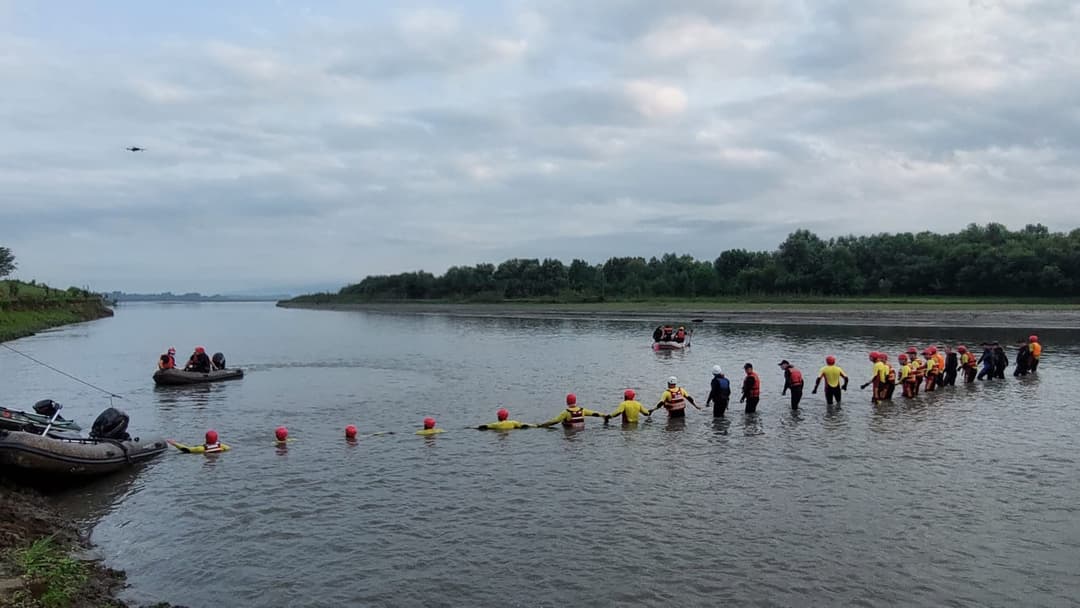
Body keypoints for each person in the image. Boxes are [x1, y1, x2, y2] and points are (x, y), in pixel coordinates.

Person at [538, 394, 604, 428]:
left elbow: (555, 421)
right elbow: (595, 414)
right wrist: (605, 416)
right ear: (575, 401)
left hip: (570, 431)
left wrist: (542, 425)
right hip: (581, 431)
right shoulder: (583, 410)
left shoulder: (566, 412)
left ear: (567, 402)